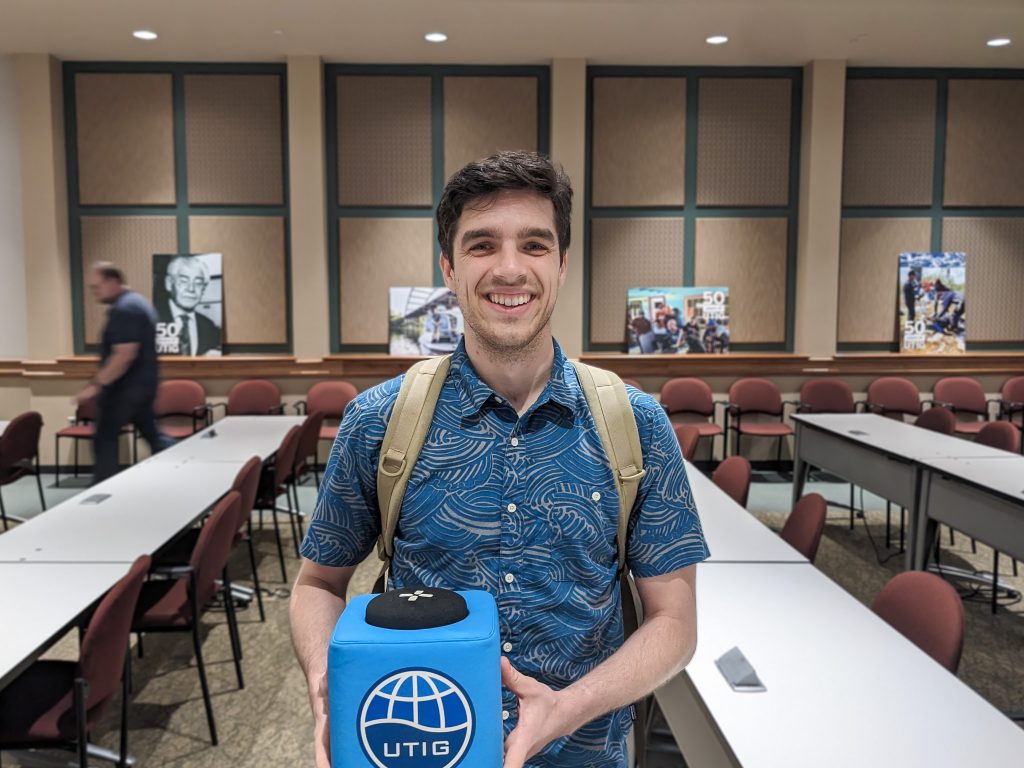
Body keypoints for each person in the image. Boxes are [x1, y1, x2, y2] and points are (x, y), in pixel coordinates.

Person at [291, 151, 707, 768]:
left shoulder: (636, 425)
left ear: (562, 265)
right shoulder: (379, 421)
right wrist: (331, 689)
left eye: (534, 246)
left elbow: (674, 621)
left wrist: (566, 708)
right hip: (418, 747)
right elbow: (318, 585)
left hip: (584, 753)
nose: (510, 269)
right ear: (449, 267)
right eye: (482, 245)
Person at [76, 263, 173, 483]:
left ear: (112, 281)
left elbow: (123, 355)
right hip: (142, 386)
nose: (95, 293)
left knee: (104, 438)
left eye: (96, 287)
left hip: (124, 390)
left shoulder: (125, 309)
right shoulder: (138, 302)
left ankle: (104, 492)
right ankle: (186, 468)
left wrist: (95, 385)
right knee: (154, 437)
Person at [157, 255, 222, 356]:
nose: (191, 288)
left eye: (198, 283)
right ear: (169, 284)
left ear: (203, 290)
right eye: (183, 281)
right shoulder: (152, 319)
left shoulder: (209, 327)